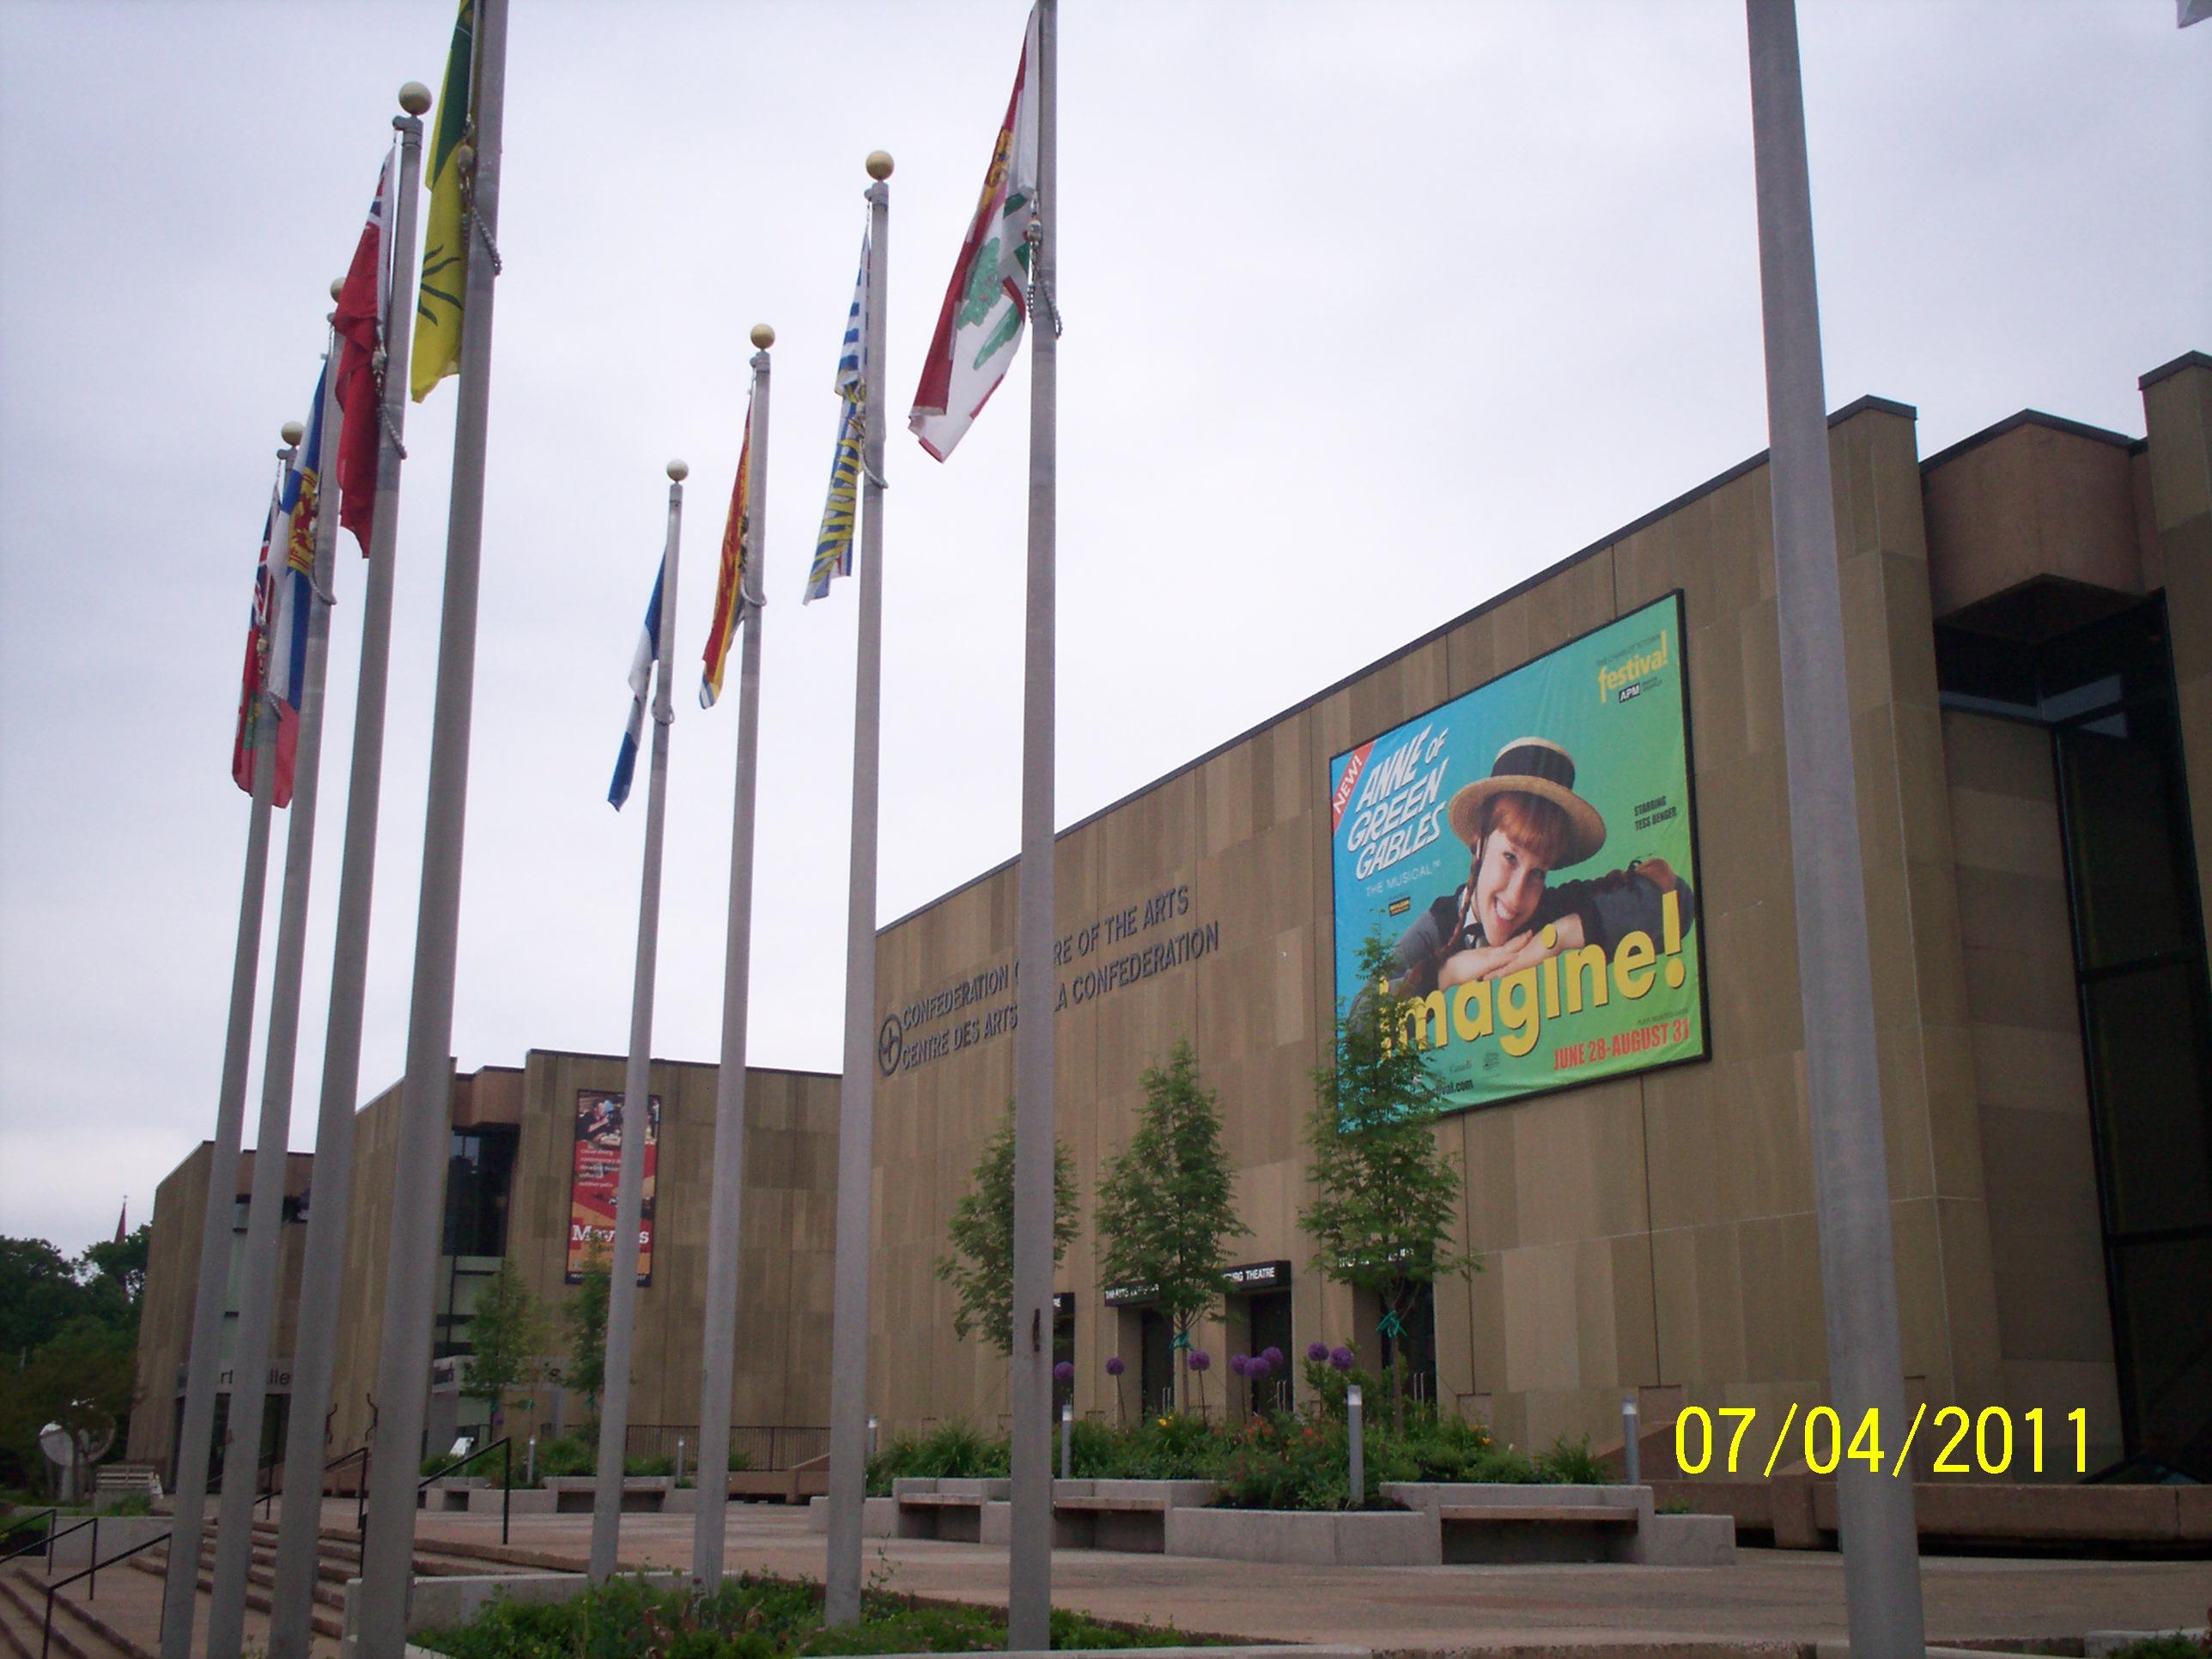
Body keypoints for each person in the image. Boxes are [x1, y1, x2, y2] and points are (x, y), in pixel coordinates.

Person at [1387, 737, 1692, 996]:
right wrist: (1448, 973)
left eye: (1538, 873)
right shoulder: (1436, 927)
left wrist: (1557, 938)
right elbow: (1362, 1021)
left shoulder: (1552, 911)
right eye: (1510, 857)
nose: (1517, 895)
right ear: (1479, 845)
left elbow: (1676, 901)